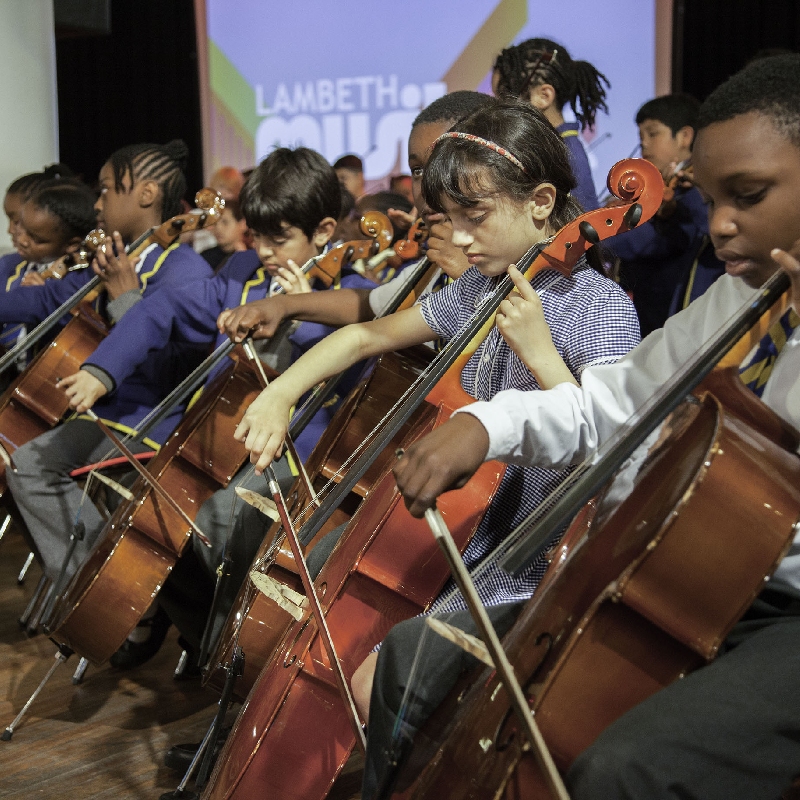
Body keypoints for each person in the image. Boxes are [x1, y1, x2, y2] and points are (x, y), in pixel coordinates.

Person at [375, 54, 800, 800]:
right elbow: (615, 402)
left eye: (750, 195)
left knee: (625, 770)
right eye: (712, 196)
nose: (720, 223)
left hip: (783, 610)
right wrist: (486, 425)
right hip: (680, 577)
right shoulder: (737, 301)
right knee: (418, 656)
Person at [235, 98, 639, 734]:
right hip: (472, 531)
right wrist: (280, 392)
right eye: (451, 219)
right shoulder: (484, 286)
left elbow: (609, 456)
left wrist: (539, 353)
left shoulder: (603, 307)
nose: (461, 238)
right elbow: (367, 335)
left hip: (532, 557)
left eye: (474, 216)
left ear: (540, 202)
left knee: (382, 686)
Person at [54, 146, 375, 670]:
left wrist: (302, 314)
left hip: (298, 456)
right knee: (154, 520)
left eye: (281, 239)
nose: (267, 252)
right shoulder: (241, 275)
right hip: (225, 443)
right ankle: (214, 651)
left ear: (322, 232)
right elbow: (165, 307)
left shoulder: (353, 289)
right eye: (259, 238)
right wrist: (99, 370)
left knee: (218, 523)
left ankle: (236, 656)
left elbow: (357, 362)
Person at [6, 139, 212, 594]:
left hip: (153, 421)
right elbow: (43, 298)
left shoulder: (184, 269)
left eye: (105, 191)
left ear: (146, 195)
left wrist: (125, 297)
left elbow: (172, 375)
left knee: (31, 466)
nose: (96, 204)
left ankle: (106, 590)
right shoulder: (117, 258)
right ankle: (100, 587)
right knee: (19, 459)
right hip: (106, 413)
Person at [217, 90, 493, 345]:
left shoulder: (514, 256)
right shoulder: (429, 268)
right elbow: (370, 305)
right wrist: (283, 305)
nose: (426, 188)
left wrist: (469, 278)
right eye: (418, 170)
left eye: (442, 166)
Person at [611, 93, 726, 335]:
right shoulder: (672, 188)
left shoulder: (695, 192)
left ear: (685, 136)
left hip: (677, 319)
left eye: (653, 134)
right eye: (640, 136)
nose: (643, 143)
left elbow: (648, 242)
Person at [493, 37, 608, 211]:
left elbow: (586, 231)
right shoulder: (549, 149)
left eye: (505, 97)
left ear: (544, 96)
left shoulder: (566, 157)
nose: (498, 108)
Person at [0, 177, 96, 359]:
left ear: (72, 245)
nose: (21, 240)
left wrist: (38, 296)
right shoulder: (8, 265)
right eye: (22, 227)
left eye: (36, 238)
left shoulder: (82, 275)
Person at [197, 193, 248, 273]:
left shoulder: (253, 255)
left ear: (243, 224)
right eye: (215, 223)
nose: (218, 228)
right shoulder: (205, 258)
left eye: (225, 222)